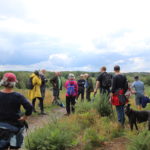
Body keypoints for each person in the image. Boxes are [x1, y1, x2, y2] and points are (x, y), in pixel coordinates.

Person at [0, 73, 32, 150]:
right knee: (14, 147)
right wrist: (25, 117)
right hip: (14, 126)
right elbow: (29, 106)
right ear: (13, 83)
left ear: (3, 82)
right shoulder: (18, 96)